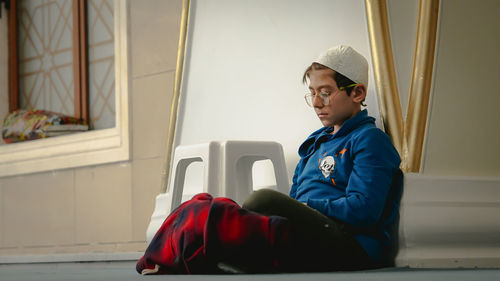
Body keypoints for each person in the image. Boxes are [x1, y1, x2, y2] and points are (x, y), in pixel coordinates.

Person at [242, 45, 403, 271]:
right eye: (313, 93)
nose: (317, 103)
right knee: (216, 210)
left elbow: (364, 210)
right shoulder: (315, 143)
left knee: (261, 202)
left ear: (357, 93)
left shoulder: (369, 139)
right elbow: (294, 199)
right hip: (310, 235)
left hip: (353, 244)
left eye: (325, 93)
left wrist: (307, 207)